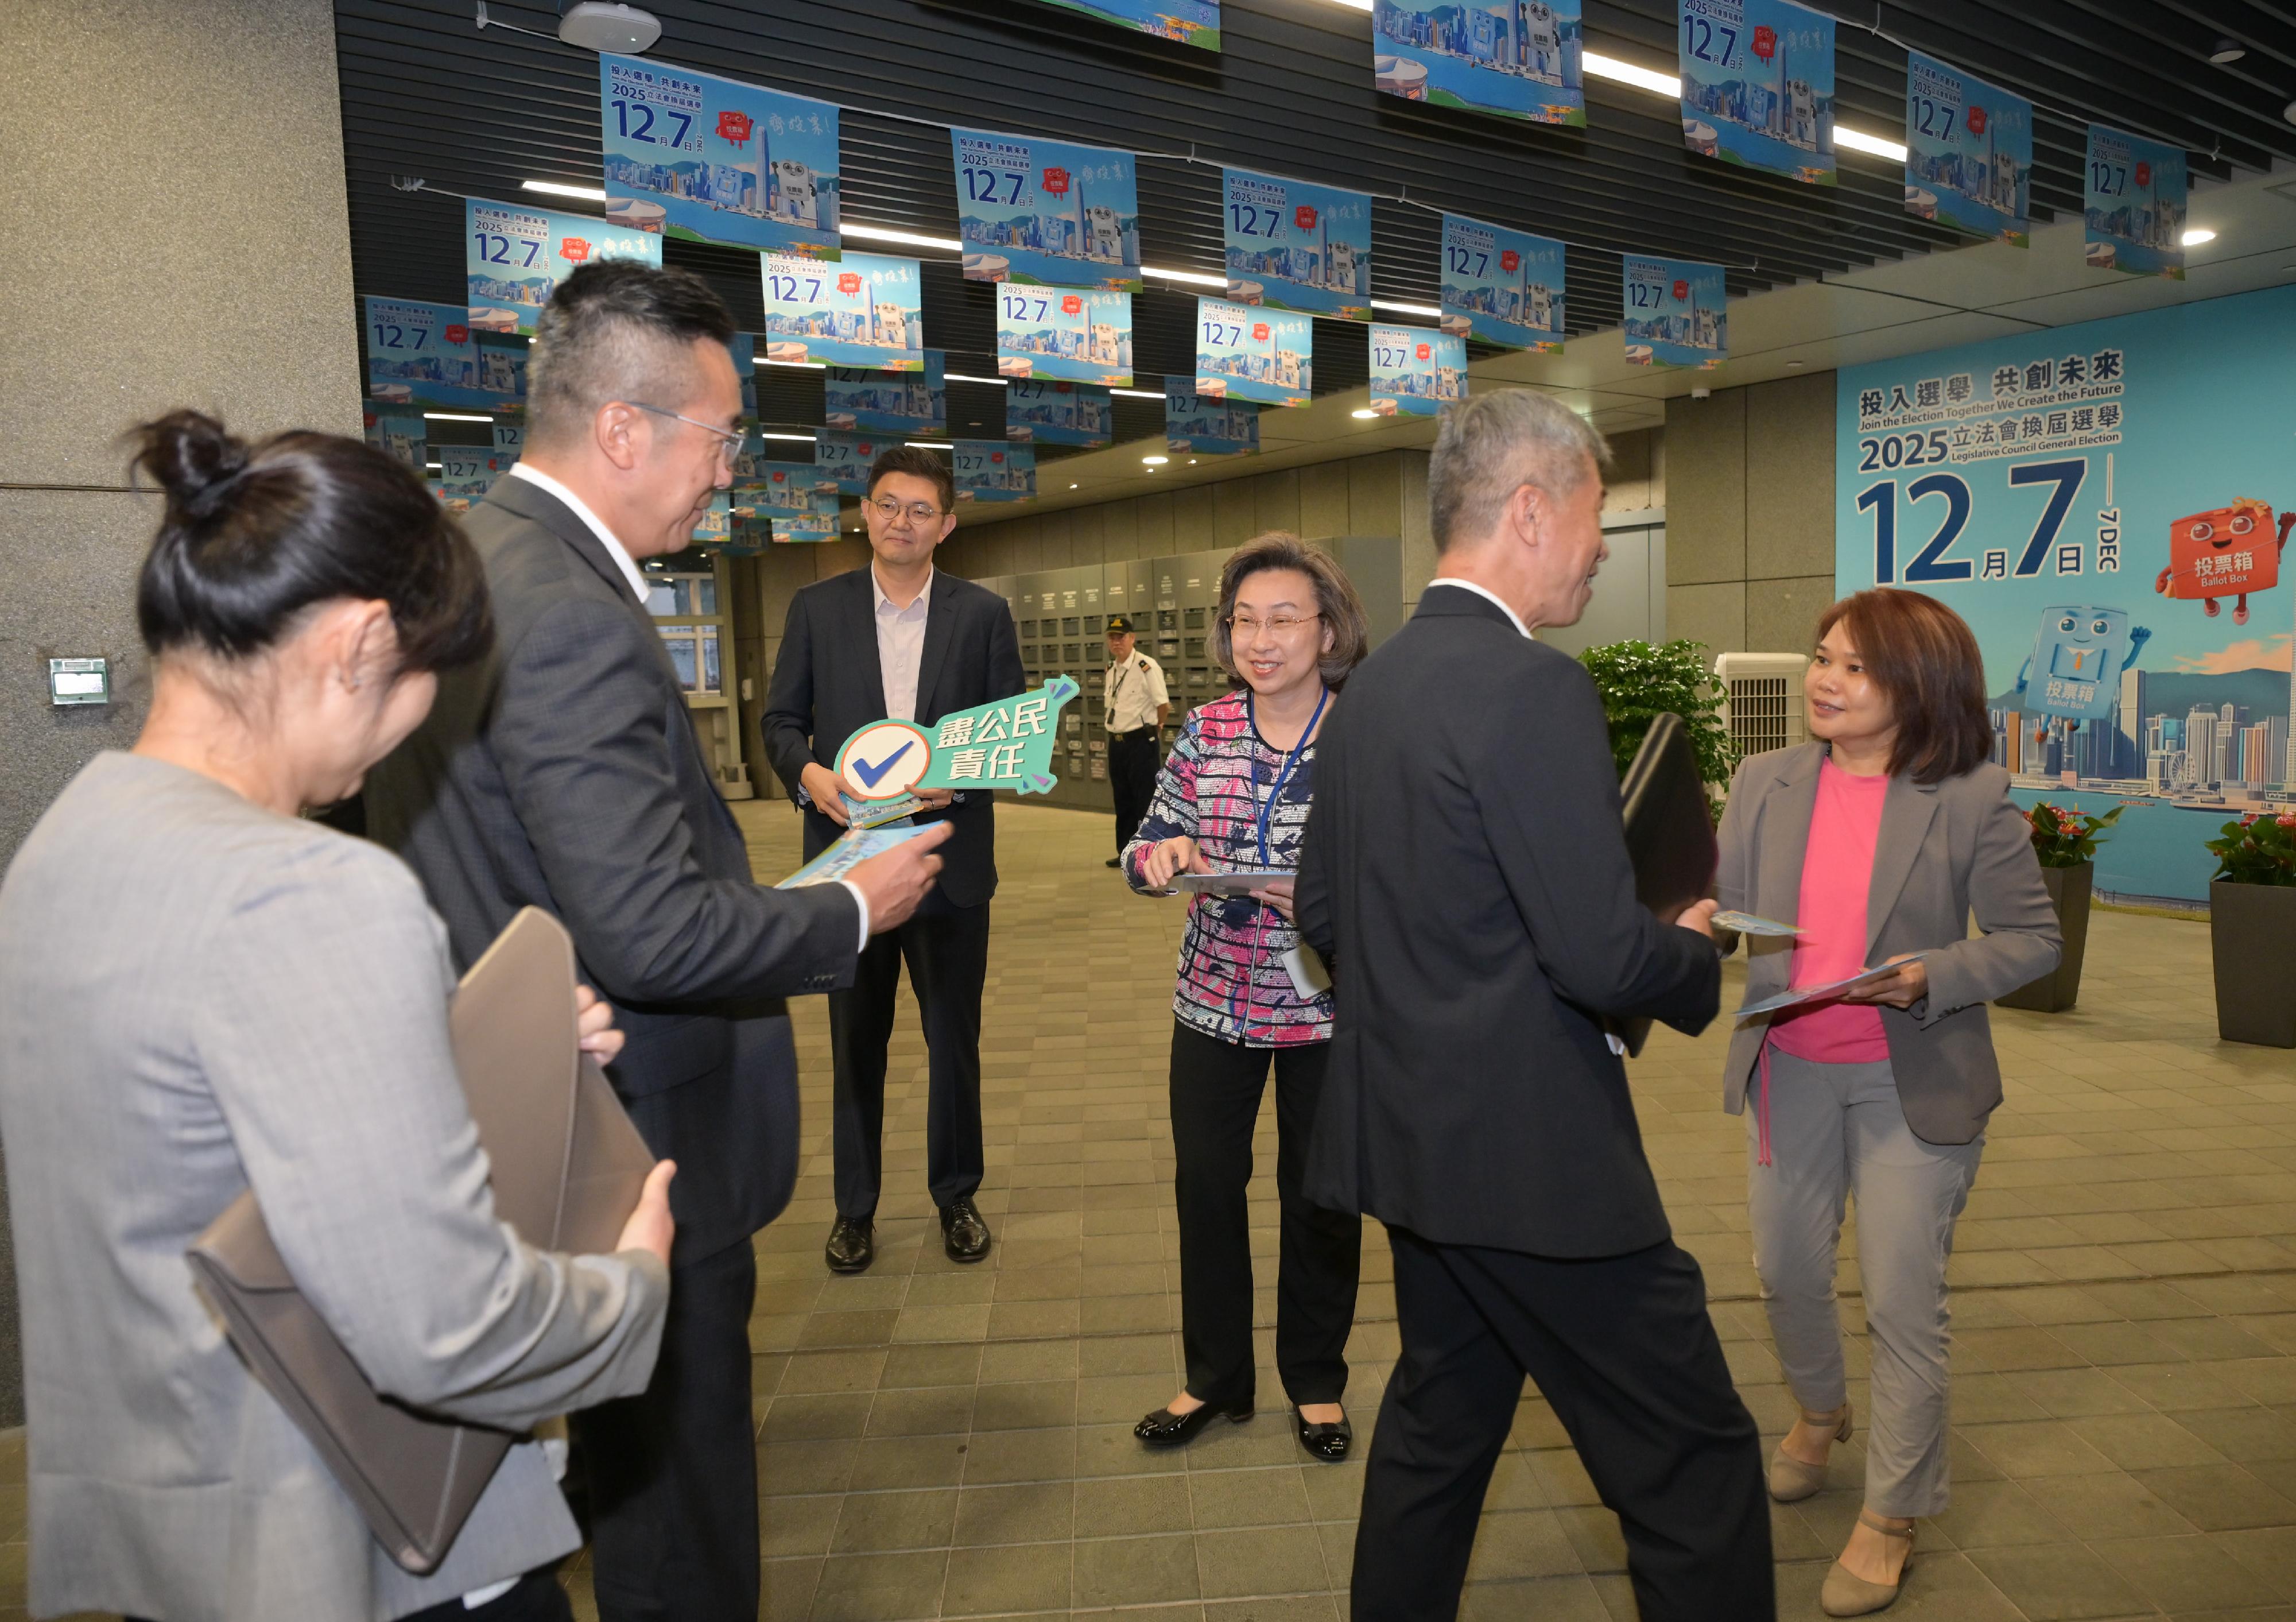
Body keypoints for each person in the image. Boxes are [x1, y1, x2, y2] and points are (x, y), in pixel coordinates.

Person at [0, 411, 677, 1622]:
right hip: (366, 1541)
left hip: (185, 1538)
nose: (421, 719)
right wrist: (630, 1285)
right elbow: (443, 1326)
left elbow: (201, 1143)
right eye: (432, 675)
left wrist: (443, 1049)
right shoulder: (314, 889)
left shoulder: (63, 851)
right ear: (364, 641)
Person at [364, 262, 949, 1622]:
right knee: (677, 1490)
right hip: (632, 1128)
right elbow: (645, 925)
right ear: (625, 428)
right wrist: (853, 904)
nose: (731, 470)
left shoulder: (470, 564)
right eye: (722, 434)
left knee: (624, 1461)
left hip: (530, 1094)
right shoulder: (569, 609)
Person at [1296, 389, 1770, 1622]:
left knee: (1439, 1427)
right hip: (1536, 1168)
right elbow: (1600, 957)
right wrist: (1688, 949)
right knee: (1693, 1459)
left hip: (1408, 1143)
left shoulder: (1371, 691)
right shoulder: (1532, 688)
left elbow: (1325, 915)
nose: (1601, 546)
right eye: (1595, 515)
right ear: (1528, 508)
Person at [1717, 589, 2059, 1617]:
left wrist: (1927, 974)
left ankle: (1893, 1513)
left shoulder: (1970, 797)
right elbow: (1718, 908)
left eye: (1855, 668)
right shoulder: (1762, 780)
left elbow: (2033, 938)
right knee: (1785, 1271)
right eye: (1822, 657)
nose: (1825, 679)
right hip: (1790, 1065)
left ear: (1917, 686)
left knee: (1904, 1298)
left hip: (1914, 1079)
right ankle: (1820, 1412)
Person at [1122, 535, 1369, 1462]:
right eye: (1245, 621)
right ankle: (1215, 1376)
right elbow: (1145, 847)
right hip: (1214, 1004)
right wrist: (1166, 860)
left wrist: (1316, 892)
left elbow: (1399, 867)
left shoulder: (1361, 731)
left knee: (1321, 1197)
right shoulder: (1207, 730)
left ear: (1328, 628)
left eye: (1284, 619)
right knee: (1208, 1189)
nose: (1262, 639)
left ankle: (1315, 1379)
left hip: (1327, 1010)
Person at [761, 444, 1027, 1273]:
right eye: (887, 504)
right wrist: (810, 776)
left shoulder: (981, 615)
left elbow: (1012, 735)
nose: (901, 521)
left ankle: (958, 1195)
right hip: (852, 869)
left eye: (920, 509)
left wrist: (963, 780)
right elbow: (780, 723)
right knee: (856, 1043)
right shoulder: (816, 608)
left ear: (946, 524)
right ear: (864, 513)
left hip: (950, 865)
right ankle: (855, 1208)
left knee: (954, 1042)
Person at [1102, 612, 1169, 866]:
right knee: (1123, 799)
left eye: (1121, 637)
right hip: (1116, 742)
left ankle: (1149, 856)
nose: (1116, 642)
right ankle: (1124, 852)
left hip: (1140, 742)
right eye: (1112, 638)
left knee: (1145, 800)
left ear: (1132, 638)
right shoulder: (1112, 668)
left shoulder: (1146, 666)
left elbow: (1163, 703)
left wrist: (1156, 730)